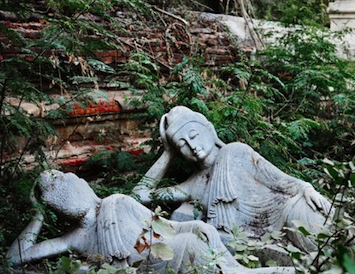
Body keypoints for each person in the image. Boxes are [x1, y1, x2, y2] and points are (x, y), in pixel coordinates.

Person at [7, 170, 294, 274]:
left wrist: (193, 225)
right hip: (159, 268)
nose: (64, 196)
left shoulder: (118, 202)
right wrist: (38, 214)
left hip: (179, 248)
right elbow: (15, 258)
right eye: (54, 198)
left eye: (65, 184)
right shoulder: (75, 238)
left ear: (83, 184)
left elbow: (164, 226)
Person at [132, 106, 332, 255]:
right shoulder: (193, 185)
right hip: (258, 242)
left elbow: (281, 181)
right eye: (182, 144)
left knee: (325, 243)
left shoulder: (236, 152)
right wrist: (168, 153)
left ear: (209, 130)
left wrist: (307, 189)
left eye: (193, 135)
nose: (192, 146)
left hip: (293, 211)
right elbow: (139, 195)